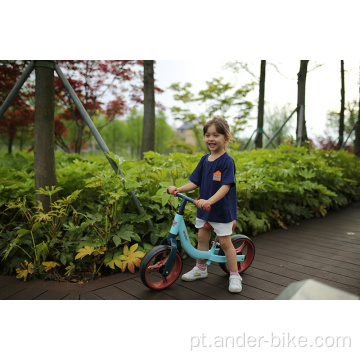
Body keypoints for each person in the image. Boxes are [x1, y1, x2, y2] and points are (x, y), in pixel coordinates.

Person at [167, 116, 242, 293]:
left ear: (226, 138)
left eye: (216, 135)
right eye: (207, 135)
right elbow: (195, 182)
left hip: (221, 210)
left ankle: (234, 275)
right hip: (205, 209)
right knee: (202, 238)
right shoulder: (204, 160)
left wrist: (209, 201)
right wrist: (179, 189)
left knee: (225, 243)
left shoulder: (226, 161)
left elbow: (226, 186)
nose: (211, 139)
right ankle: (201, 269)